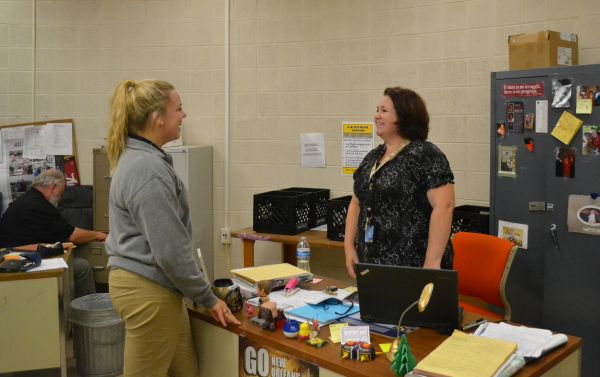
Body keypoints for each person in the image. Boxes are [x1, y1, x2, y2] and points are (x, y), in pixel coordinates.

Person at [105, 79, 240, 377]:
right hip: (149, 290)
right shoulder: (147, 169)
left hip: (159, 286)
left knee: (185, 370)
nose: (184, 116)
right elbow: (170, 252)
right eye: (179, 109)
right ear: (158, 118)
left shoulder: (143, 158)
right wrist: (208, 297)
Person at [344, 87, 455, 278]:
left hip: (413, 264)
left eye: (384, 111)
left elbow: (444, 206)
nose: (377, 116)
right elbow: (356, 202)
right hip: (372, 262)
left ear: (404, 117)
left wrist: (432, 261)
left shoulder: (425, 154)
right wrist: (348, 246)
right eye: (377, 110)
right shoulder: (373, 157)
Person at [0, 169, 107, 297]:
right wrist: (100, 235)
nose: (61, 199)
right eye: (60, 193)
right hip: (19, 260)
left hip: (15, 253)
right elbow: (74, 235)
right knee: (82, 267)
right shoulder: (39, 205)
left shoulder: (28, 198)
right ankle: (88, 312)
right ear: (53, 187)